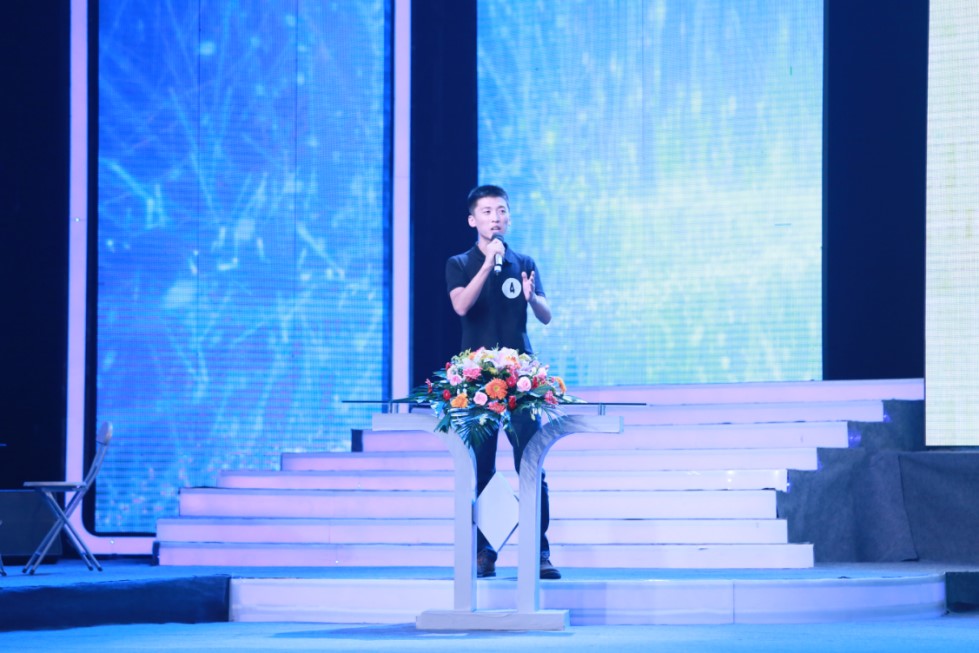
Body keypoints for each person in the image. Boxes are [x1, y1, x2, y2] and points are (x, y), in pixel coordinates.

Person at [444, 184, 561, 580]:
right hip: (477, 382)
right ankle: (484, 551)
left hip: (520, 380)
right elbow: (461, 305)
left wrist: (532, 297)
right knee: (481, 467)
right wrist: (486, 265)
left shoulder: (523, 262)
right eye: (487, 211)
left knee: (532, 462)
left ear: (508, 217)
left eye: (501, 211)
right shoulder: (459, 263)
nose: (495, 217)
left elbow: (545, 315)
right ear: (472, 220)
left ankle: (538, 550)